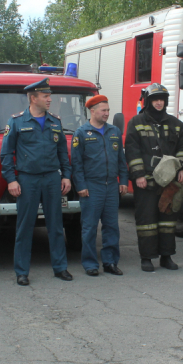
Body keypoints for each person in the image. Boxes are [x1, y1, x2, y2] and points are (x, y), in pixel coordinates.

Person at [0, 78, 73, 286]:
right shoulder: (16, 121)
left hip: (51, 178)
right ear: (33, 98)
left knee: (56, 225)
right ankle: (22, 271)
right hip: (27, 179)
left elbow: (62, 152)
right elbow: (7, 154)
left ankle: (60, 267)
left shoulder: (55, 121)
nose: (49, 99)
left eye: (49, 96)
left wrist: (66, 175)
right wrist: (11, 180)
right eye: (45, 96)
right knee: (25, 226)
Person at [124, 83, 183, 272]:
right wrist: (138, 175)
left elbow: (182, 150)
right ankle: (147, 258)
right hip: (146, 181)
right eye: (155, 99)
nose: (159, 103)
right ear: (148, 101)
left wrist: (182, 169)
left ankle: (166, 257)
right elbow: (132, 151)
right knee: (146, 220)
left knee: (167, 221)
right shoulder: (136, 122)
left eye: (162, 99)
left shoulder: (177, 125)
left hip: (169, 182)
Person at [71, 95, 128, 276]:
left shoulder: (114, 131)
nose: (107, 113)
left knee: (111, 226)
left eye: (108, 110)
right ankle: (90, 264)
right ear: (92, 111)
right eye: (103, 110)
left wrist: (123, 181)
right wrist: (80, 185)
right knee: (89, 227)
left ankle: (110, 262)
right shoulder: (81, 133)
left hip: (111, 186)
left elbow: (121, 160)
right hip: (91, 186)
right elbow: (77, 164)